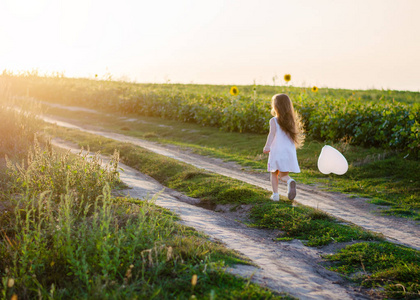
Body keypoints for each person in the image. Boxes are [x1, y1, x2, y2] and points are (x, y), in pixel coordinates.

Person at [263, 94, 304, 201]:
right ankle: (290, 181)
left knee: (274, 173)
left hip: (277, 151)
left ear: (275, 107)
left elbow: (271, 134)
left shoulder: (273, 121)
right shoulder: (291, 122)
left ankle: (275, 195)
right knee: (283, 175)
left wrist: (267, 146)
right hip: (288, 152)